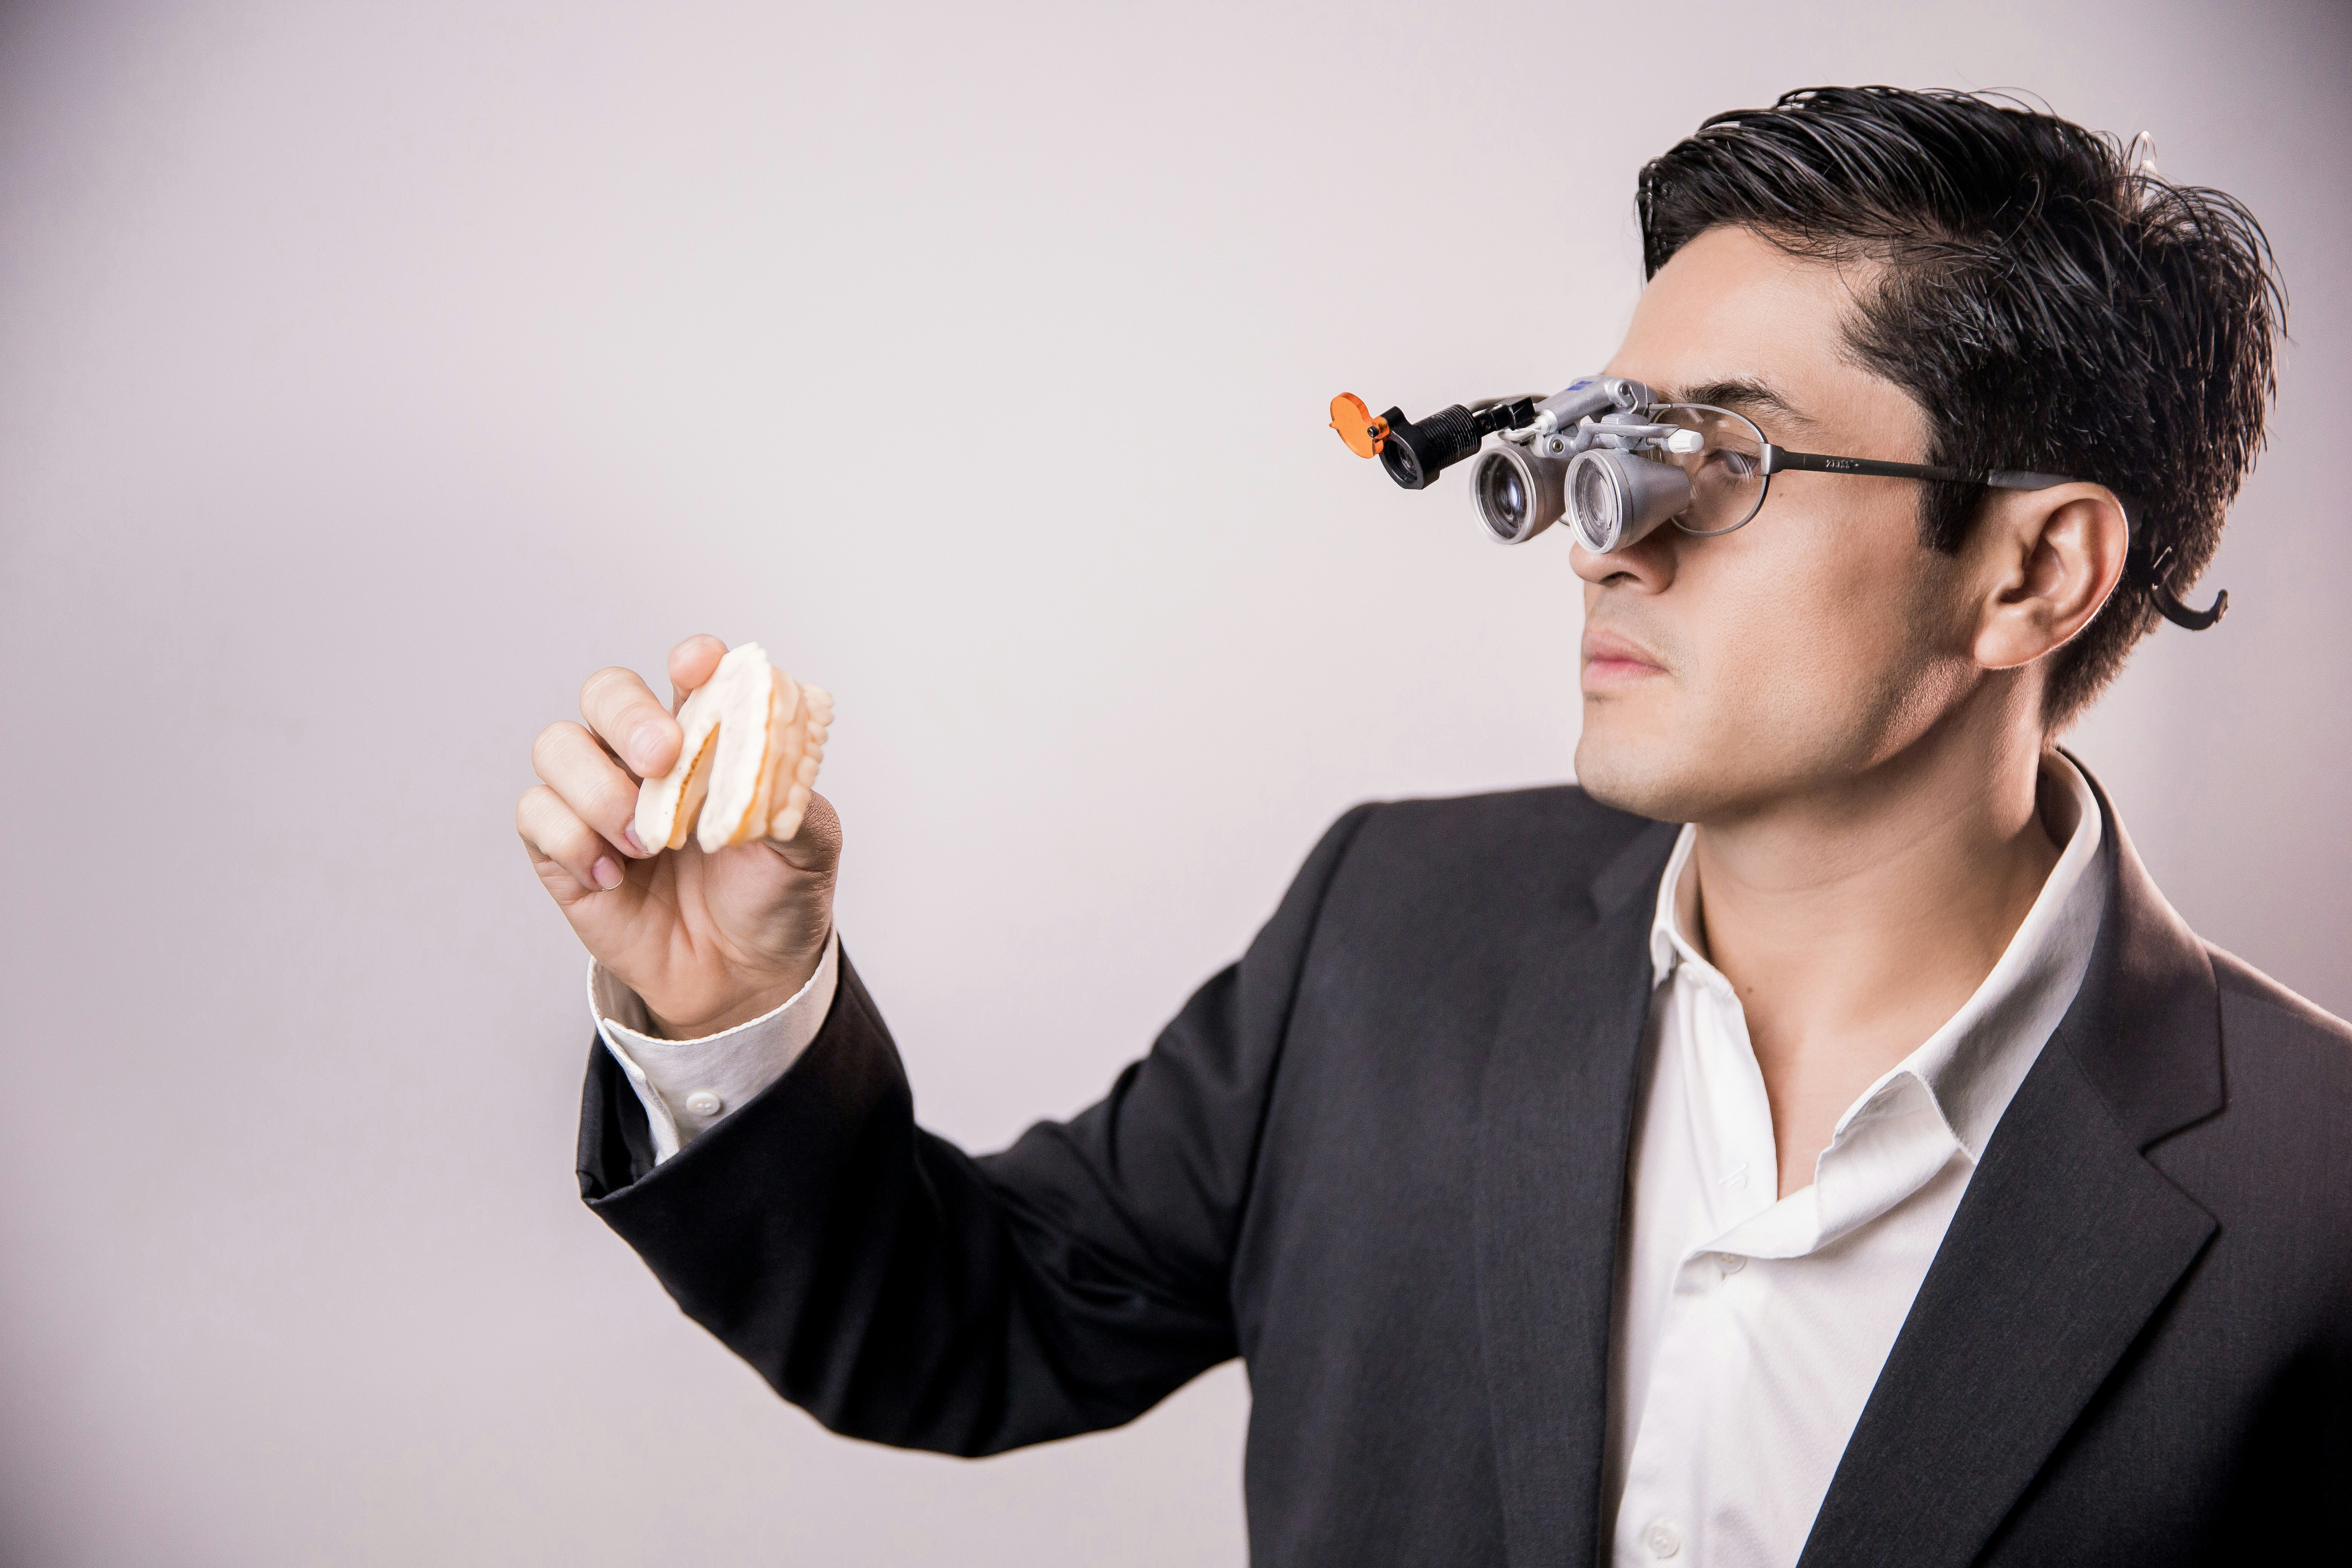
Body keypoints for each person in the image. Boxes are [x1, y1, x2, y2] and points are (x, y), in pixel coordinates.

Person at [517, 88, 2347, 1566]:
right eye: (1606, 442)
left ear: (2037, 567)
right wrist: (727, 1005)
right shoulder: (1391, 931)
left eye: (1726, 457)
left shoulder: (2315, 1208)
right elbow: (962, 1317)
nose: (1604, 538)